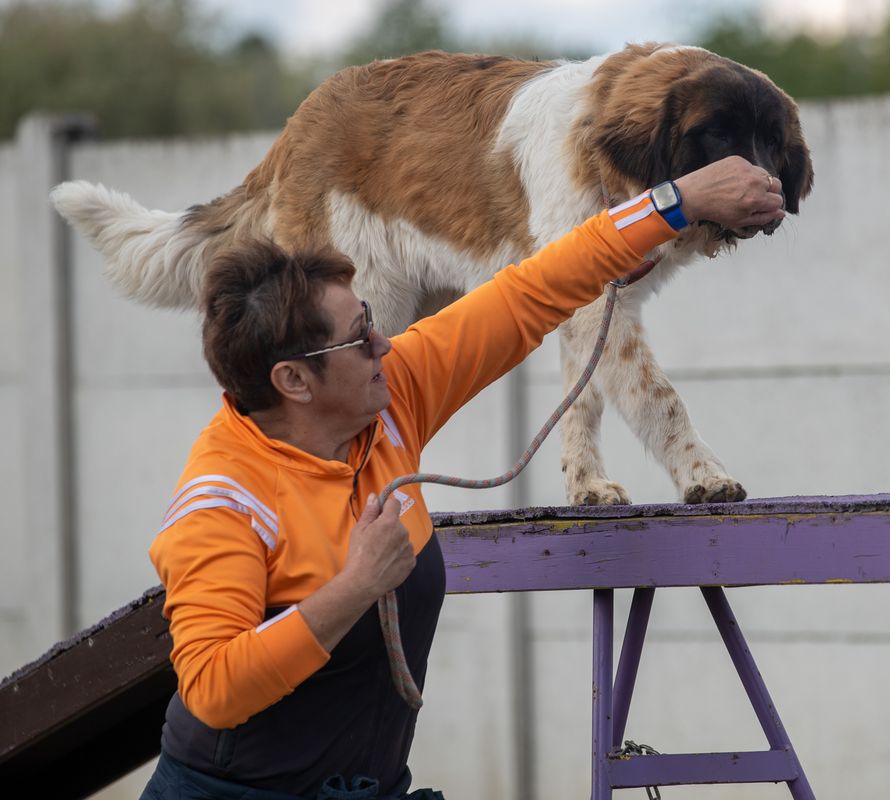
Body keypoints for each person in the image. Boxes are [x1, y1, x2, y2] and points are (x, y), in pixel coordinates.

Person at [140, 155, 786, 799]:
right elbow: (214, 687)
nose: (383, 346)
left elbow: (532, 290)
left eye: (370, 321)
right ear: (293, 381)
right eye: (358, 339)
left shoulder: (393, 395)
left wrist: (677, 201)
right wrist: (356, 585)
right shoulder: (222, 501)